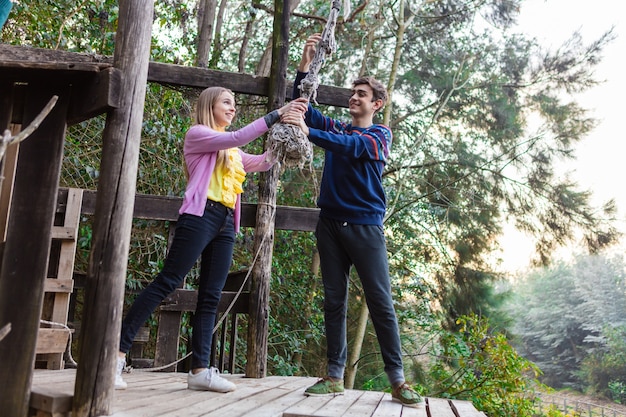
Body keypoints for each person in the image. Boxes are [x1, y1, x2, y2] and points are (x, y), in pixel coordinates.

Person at [115, 87, 308, 392]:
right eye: (227, 103)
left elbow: (262, 162)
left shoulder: (231, 152)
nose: (232, 109)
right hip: (199, 216)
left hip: (225, 223)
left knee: (211, 297)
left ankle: (199, 370)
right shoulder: (198, 134)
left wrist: (289, 134)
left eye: (233, 104)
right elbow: (237, 137)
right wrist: (275, 115)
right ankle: (116, 355)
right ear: (210, 106)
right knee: (167, 281)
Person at [282, 34, 424, 407]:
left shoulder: (379, 135)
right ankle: (333, 375)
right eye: (353, 92)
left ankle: (397, 381)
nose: (354, 97)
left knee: (380, 302)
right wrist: (305, 63)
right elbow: (304, 107)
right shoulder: (340, 128)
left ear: (376, 103)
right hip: (329, 223)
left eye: (362, 94)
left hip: (365, 227)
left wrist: (309, 132)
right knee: (333, 299)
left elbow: (350, 146)